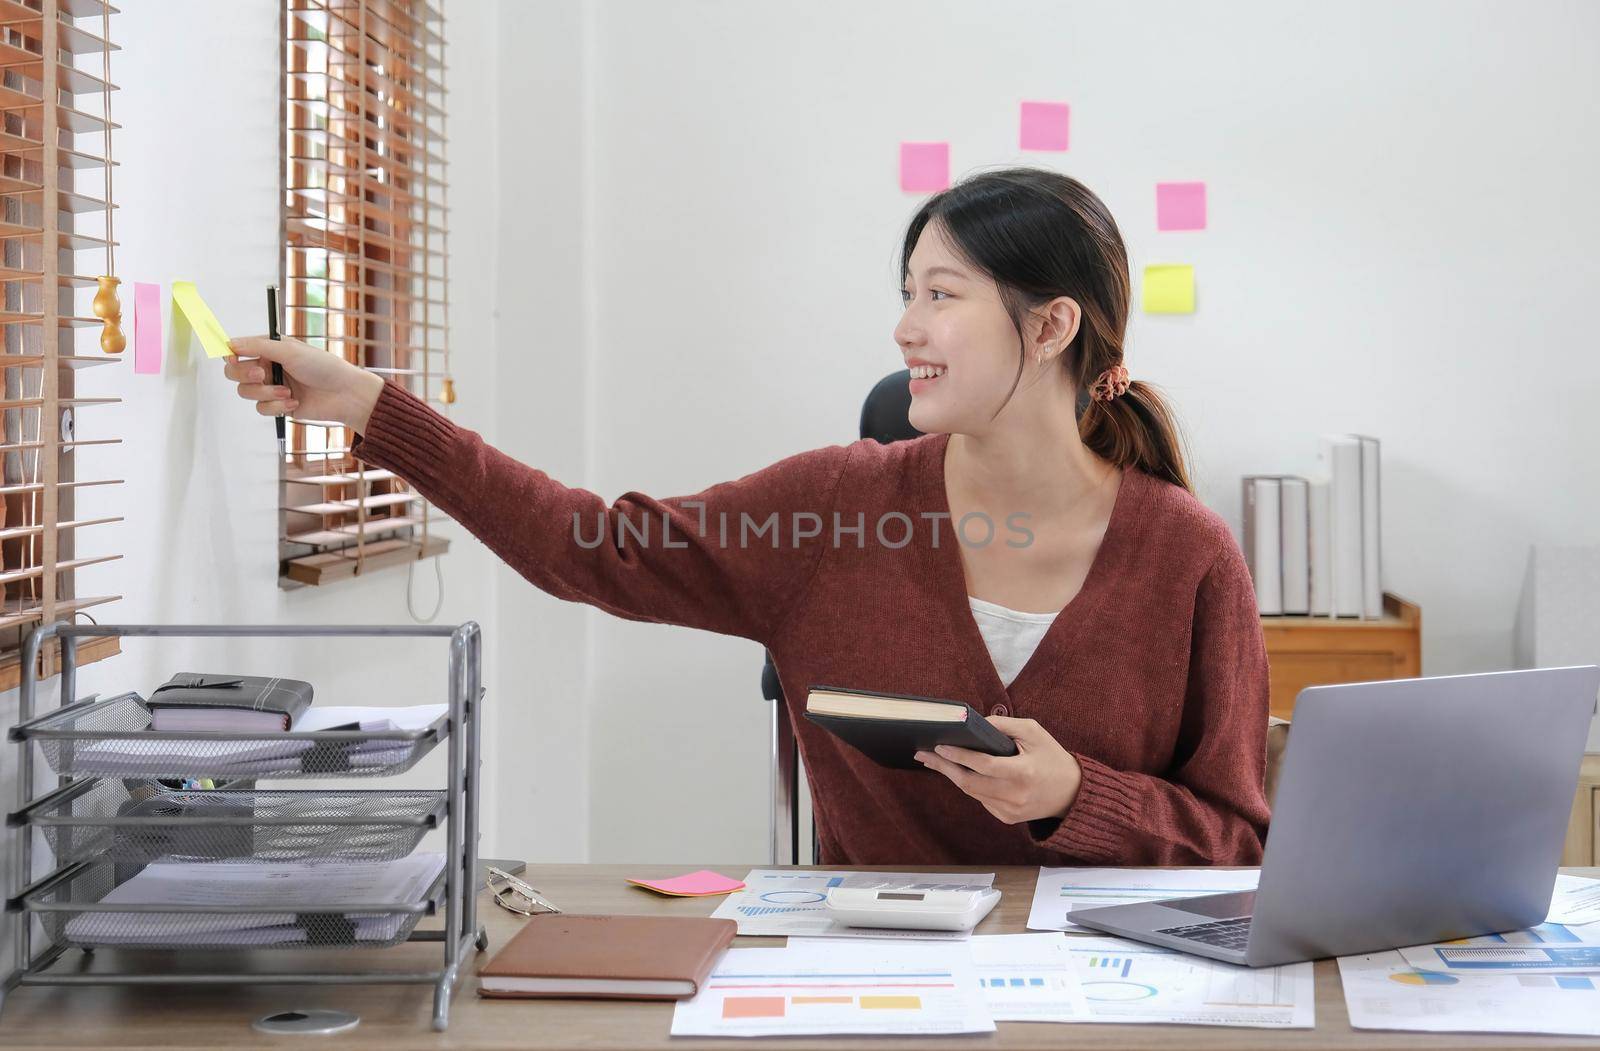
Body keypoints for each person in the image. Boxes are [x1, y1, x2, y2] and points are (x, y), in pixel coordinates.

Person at [227, 167, 1270, 866]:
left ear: (1050, 326)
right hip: (876, 985)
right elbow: (583, 545)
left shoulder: (1187, 555)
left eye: (942, 295)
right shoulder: (832, 510)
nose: (906, 328)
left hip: (1112, 996)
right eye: (909, 292)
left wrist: (1074, 795)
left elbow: (1236, 837)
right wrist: (372, 409)